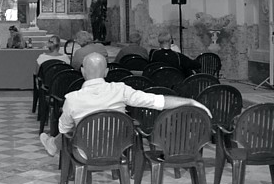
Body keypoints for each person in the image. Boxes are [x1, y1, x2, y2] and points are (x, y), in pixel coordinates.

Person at [39, 52, 212, 157]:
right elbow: (158, 101)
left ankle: (55, 147)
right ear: (107, 72)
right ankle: (53, 144)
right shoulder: (121, 90)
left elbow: (64, 129)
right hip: (118, 148)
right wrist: (190, 101)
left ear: (82, 71)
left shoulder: (73, 98)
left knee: (74, 131)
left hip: (85, 152)